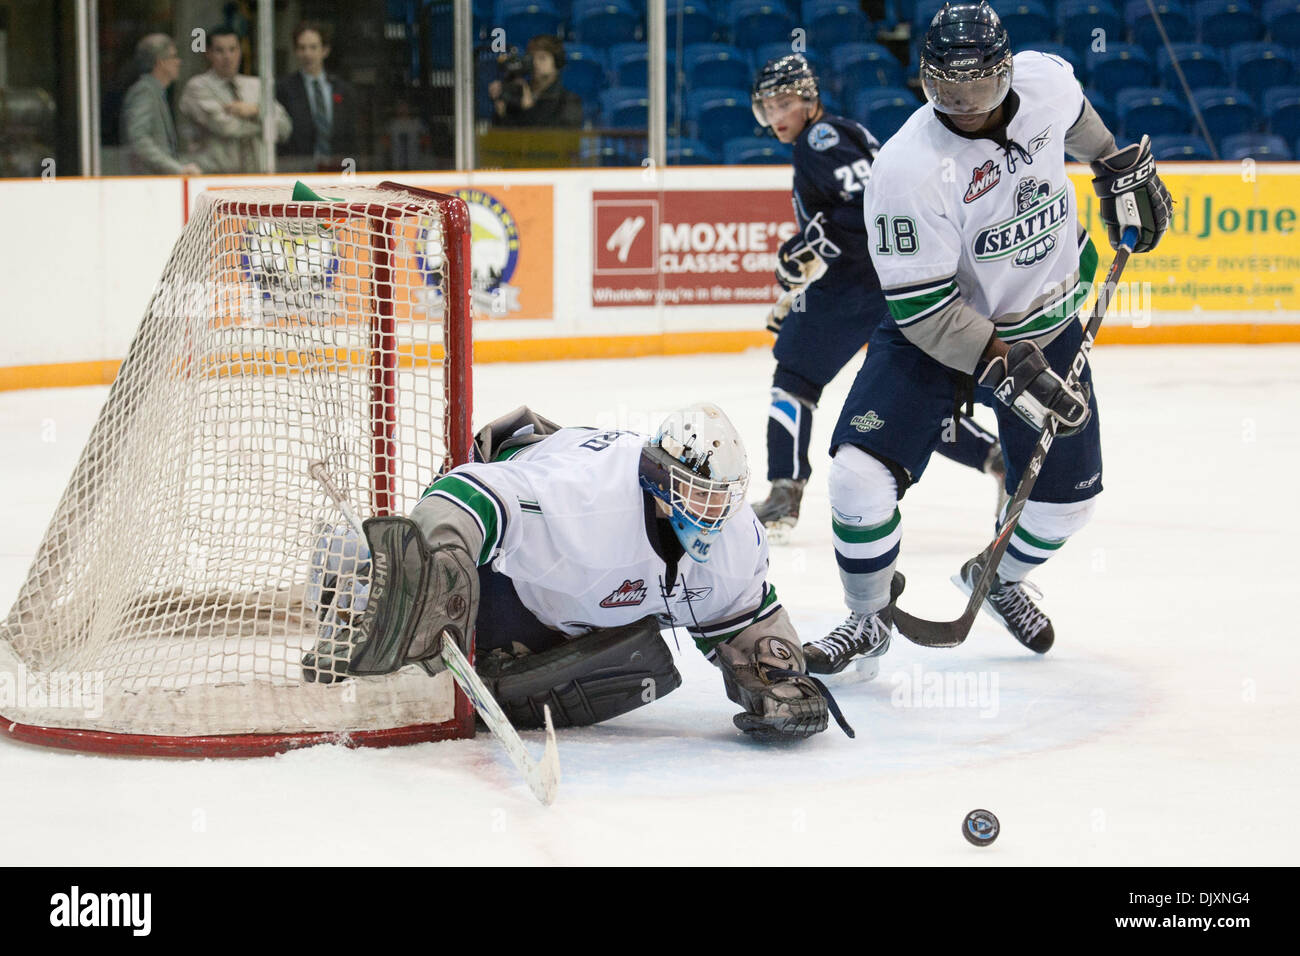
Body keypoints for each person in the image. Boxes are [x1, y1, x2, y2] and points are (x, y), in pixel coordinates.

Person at [806, 2, 1172, 674]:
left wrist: (1113, 163)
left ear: (1006, 71)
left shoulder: (1044, 84)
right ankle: (866, 619)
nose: (963, 105)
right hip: (939, 333)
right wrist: (1003, 364)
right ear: (925, 77)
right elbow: (923, 310)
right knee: (857, 477)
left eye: (976, 87)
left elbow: (1079, 120)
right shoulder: (906, 170)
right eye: (947, 88)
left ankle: (997, 578)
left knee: (1068, 506)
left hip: (1047, 322)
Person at [301, 404, 846, 741]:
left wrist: (775, 671)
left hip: (579, 604)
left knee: (623, 660)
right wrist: (440, 563)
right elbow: (470, 489)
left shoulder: (735, 537)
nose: (710, 515)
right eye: (696, 495)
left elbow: (745, 619)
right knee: (434, 610)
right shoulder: (586, 503)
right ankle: (353, 566)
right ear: (660, 482)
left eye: (720, 499)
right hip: (516, 564)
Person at [748, 53, 1004, 539]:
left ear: (808, 98)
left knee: (795, 374)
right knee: (903, 399)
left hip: (861, 280)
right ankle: (997, 458)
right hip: (893, 277)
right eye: (768, 107)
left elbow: (865, 209)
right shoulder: (840, 134)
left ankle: (785, 493)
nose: (777, 117)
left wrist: (803, 247)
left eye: (784, 102)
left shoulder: (819, 140)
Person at [177, 25, 291, 173]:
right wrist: (266, 125)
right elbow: (226, 127)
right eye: (220, 50)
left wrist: (255, 110)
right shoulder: (198, 87)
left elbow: (285, 128)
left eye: (233, 49)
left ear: (240, 52)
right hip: (214, 176)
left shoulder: (256, 86)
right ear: (208, 53)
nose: (227, 56)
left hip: (257, 176)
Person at [275, 21, 359, 172]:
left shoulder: (343, 90)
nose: (307, 54)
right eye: (302, 48)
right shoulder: (284, 89)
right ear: (295, 51)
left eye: (313, 47)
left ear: (325, 50)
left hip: (338, 172)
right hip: (299, 173)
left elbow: (352, 139)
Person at [120, 34, 202, 175]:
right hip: (148, 183)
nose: (178, 62)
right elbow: (139, 140)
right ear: (161, 62)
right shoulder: (144, 91)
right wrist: (176, 168)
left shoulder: (155, 91)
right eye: (173, 56)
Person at [489, 35, 582, 128]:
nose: (535, 63)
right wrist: (501, 113)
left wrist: (528, 109)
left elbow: (558, 138)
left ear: (557, 62)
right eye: (531, 58)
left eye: (542, 58)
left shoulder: (569, 101)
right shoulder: (516, 93)